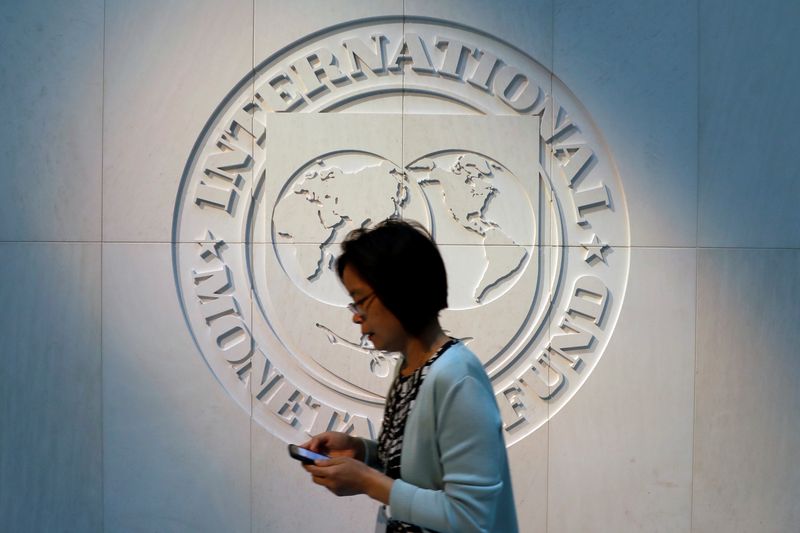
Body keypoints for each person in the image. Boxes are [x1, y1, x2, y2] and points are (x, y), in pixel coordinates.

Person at [299, 219, 518, 533]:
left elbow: (471, 517)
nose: (356, 316)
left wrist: (367, 481)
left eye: (361, 300)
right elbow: (421, 471)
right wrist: (361, 451)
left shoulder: (458, 377)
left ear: (399, 289)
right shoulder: (412, 369)